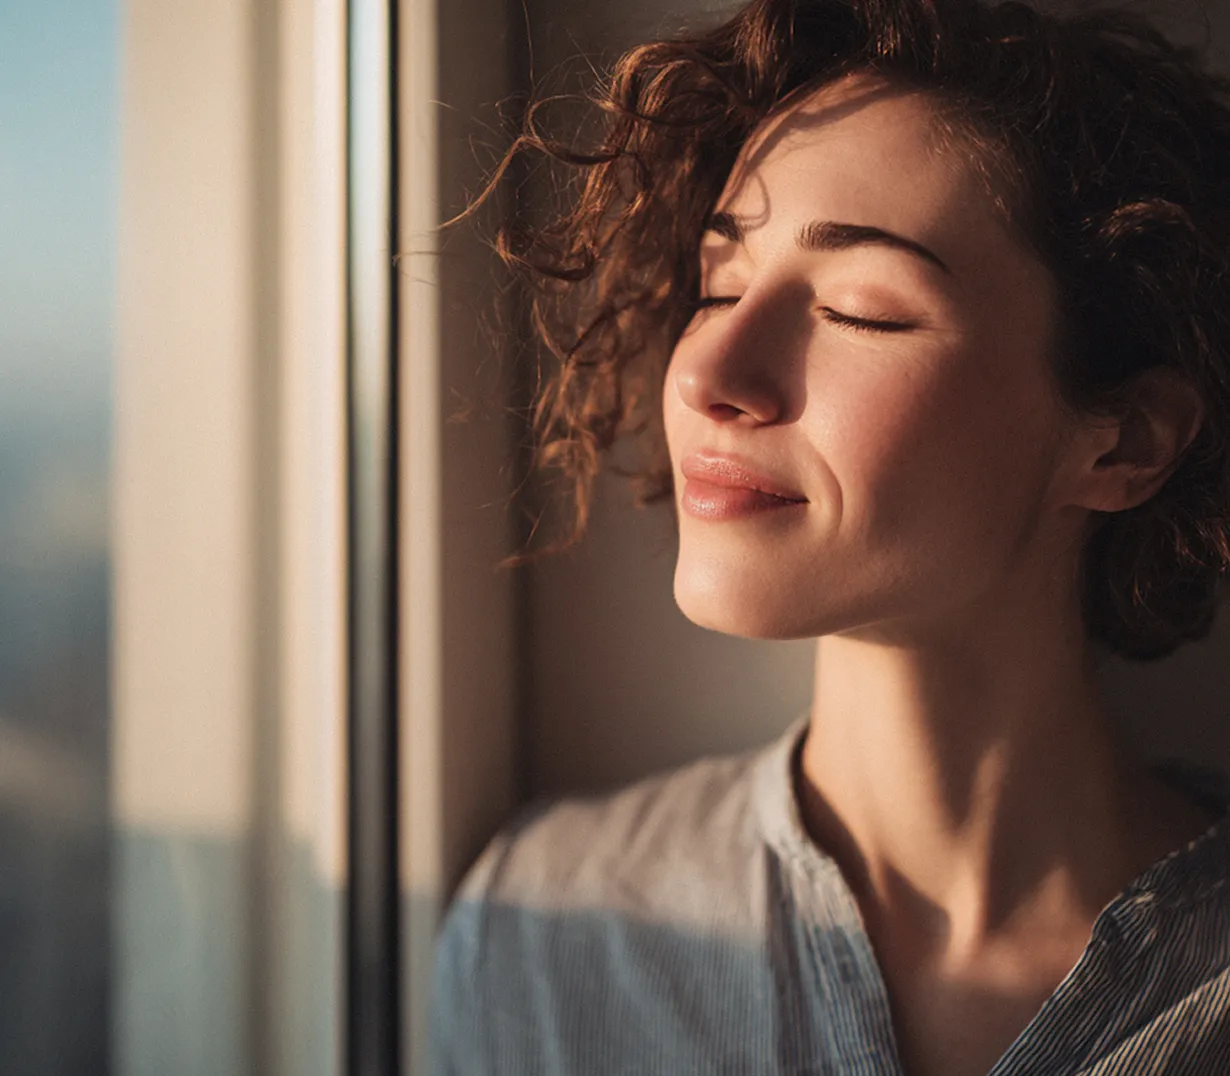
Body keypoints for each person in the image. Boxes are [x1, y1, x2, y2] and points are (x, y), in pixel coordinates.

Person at [430, 0, 1230, 1071]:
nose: (709, 374)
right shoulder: (546, 932)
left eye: (861, 309)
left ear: (1126, 440)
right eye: (718, 288)